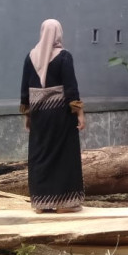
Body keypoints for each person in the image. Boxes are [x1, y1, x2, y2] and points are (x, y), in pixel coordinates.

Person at [20, 19, 85, 214]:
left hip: (39, 115)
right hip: (61, 115)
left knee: (40, 154)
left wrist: (28, 116)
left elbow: (25, 90)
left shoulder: (30, 57)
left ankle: (41, 203)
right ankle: (64, 203)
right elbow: (71, 88)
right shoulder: (64, 57)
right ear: (58, 34)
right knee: (64, 155)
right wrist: (80, 113)